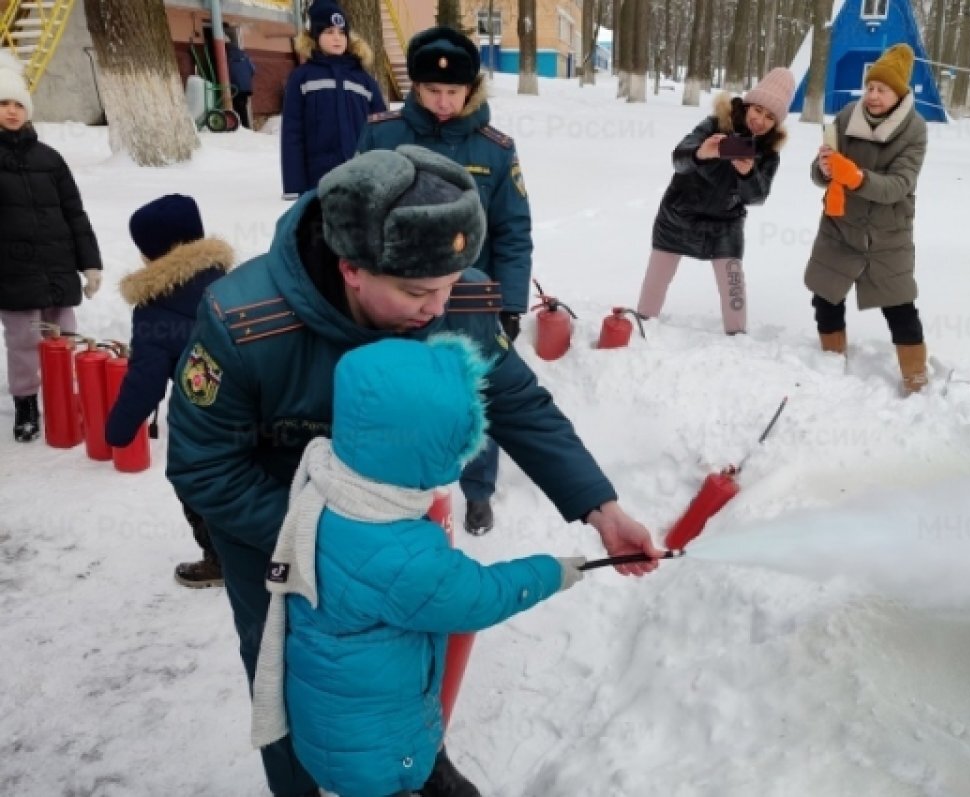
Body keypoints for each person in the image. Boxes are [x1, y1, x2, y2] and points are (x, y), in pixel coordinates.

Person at [166, 146, 659, 797]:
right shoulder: (245, 321)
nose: (439, 307)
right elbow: (203, 465)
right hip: (277, 535)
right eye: (417, 292)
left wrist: (601, 507)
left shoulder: (450, 289)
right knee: (292, 671)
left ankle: (416, 759)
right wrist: (321, 538)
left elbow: (516, 401)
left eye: (450, 284)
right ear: (351, 268)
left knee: (404, 646)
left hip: (396, 523)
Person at [249, 335, 587, 797]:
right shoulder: (402, 555)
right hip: (375, 752)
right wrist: (554, 571)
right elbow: (480, 597)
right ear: (431, 449)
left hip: (333, 720)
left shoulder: (330, 480)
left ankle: (427, 770)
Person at [358, 26, 531, 536]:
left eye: (452, 91)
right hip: (395, 294)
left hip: (469, 297)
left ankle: (478, 490)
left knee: (474, 394)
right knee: (399, 393)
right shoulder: (382, 134)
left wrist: (510, 303)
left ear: (470, 89)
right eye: (432, 90)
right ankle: (402, 491)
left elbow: (513, 230)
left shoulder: (495, 149)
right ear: (415, 86)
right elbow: (353, 211)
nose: (442, 101)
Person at [105, 194, 232, 588]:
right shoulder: (234, 283)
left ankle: (221, 560)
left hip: (204, 418)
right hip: (259, 405)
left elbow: (145, 381)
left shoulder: (154, 307)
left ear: (150, 253)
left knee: (192, 479)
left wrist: (117, 430)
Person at [804, 43, 930, 394]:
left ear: (899, 94)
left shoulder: (914, 130)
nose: (873, 96)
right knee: (826, 296)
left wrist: (856, 177)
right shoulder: (847, 116)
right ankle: (832, 361)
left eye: (882, 90)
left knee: (899, 306)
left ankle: (917, 380)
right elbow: (819, 173)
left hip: (887, 234)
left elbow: (900, 185)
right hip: (840, 226)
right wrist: (825, 169)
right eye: (870, 87)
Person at [636, 67, 795, 335]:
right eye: (758, 110)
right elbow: (678, 159)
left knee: (734, 290)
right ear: (747, 106)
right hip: (678, 215)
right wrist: (701, 153)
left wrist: (747, 174)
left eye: (770, 117)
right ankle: (640, 329)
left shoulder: (768, 153)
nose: (760, 120)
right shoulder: (715, 124)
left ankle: (737, 340)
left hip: (725, 225)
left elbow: (758, 197)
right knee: (654, 285)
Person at [0, 52, 102, 442]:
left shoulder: (50, 159)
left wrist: (90, 263)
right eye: (3, 104)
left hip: (58, 265)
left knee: (63, 335)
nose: (11, 111)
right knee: (24, 341)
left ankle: (63, 396)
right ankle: (26, 402)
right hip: (13, 271)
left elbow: (74, 212)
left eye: (17, 104)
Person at [280, 0, 385, 199]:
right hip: (318, 179)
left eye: (342, 32)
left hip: (361, 175)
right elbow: (292, 132)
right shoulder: (302, 77)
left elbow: (381, 129)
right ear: (314, 36)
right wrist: (294, 185)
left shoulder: (364, 80)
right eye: (329, 32)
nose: (337, 38)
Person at [223, 26, 256, 130]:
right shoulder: (244, 55)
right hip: (246, 87)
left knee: (237, 109)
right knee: (242, 107)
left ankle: (242, 128)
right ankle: (245, 127)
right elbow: (253, 69)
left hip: (235, 87)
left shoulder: (226, 56)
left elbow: (226, 72)